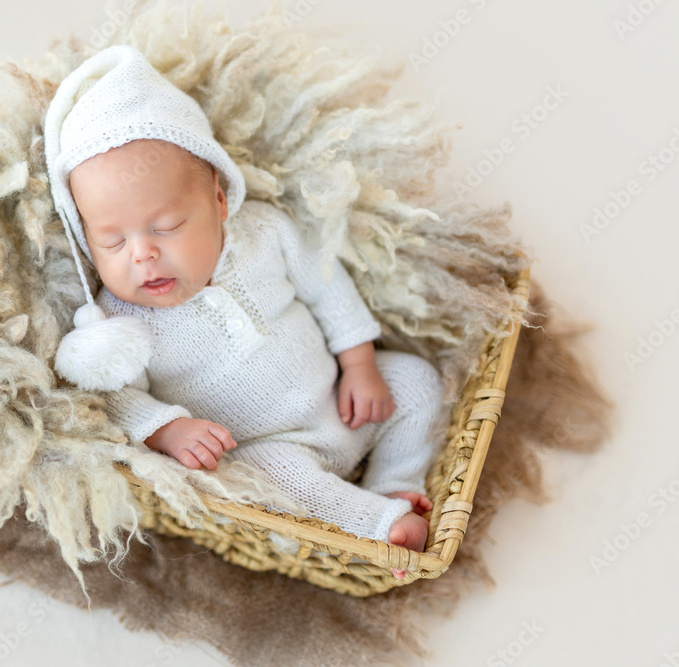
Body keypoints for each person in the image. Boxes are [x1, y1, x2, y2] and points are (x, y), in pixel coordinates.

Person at [45, 45, 444, 578]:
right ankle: (376, 525)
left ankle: (395, 480)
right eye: (112, 241)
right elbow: (116, 398)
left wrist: (361, 364)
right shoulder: (118, 322)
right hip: (278, 449)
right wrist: (167, 430)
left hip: (344, 403)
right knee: (267, 476)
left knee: (414, 379)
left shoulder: (264, 233)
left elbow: (328, 287)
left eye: (165, 227)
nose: (142, 254)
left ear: (217, 199)